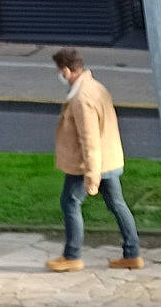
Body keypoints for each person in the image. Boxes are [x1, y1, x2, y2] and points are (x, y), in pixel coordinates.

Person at [48, 47, 141, 272]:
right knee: (117, 205)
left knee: (70, 203)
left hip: (88, 164)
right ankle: (132, 254)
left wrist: (92, 176)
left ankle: (72, 256)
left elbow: (89, 139)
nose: (59, 75)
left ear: (68, 70)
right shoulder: (96, 87)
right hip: (109, 158)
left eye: (60, 70)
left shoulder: (81, 98)